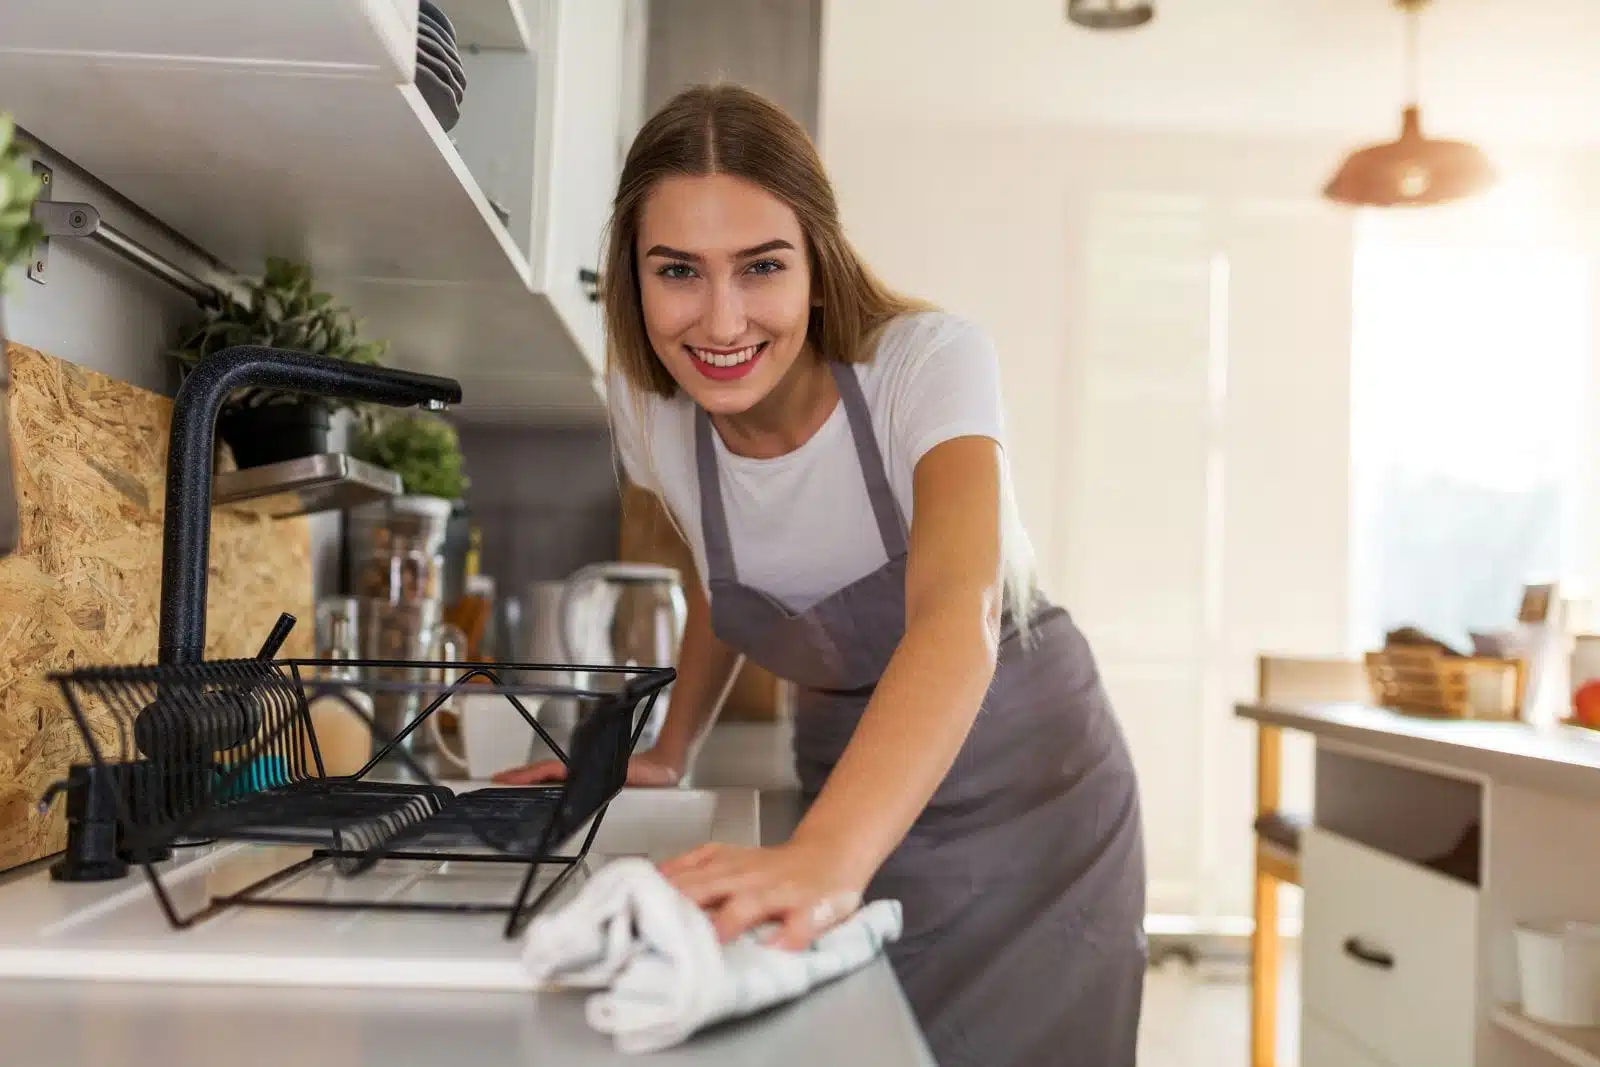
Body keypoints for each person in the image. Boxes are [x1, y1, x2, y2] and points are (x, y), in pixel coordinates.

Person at [494, 83, 1147, 1066]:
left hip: (1028, 782)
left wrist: (828, 854)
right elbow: (728, 575)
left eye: (760, 267)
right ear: (632, 277)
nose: (720, 319)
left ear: (817, 263)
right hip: (846, 761)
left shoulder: (924, 366)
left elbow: (953, 611)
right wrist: (670, 747)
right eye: (678, 271)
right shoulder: (648, 404)